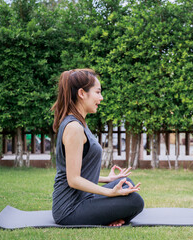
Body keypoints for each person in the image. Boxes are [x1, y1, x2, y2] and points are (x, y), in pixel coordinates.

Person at [51, 69, 144, 226]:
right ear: (82, 93)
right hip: (69, 209)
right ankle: (108, 216)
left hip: (83, 198)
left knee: (126, 182)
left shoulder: (79, 122)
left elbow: (76, 171)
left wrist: (108, 180)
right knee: (135, 202)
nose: (101, 98)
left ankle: (108, 215)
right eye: (97, 92)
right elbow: (73, 179)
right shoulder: (74, 127)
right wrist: (109, 192)